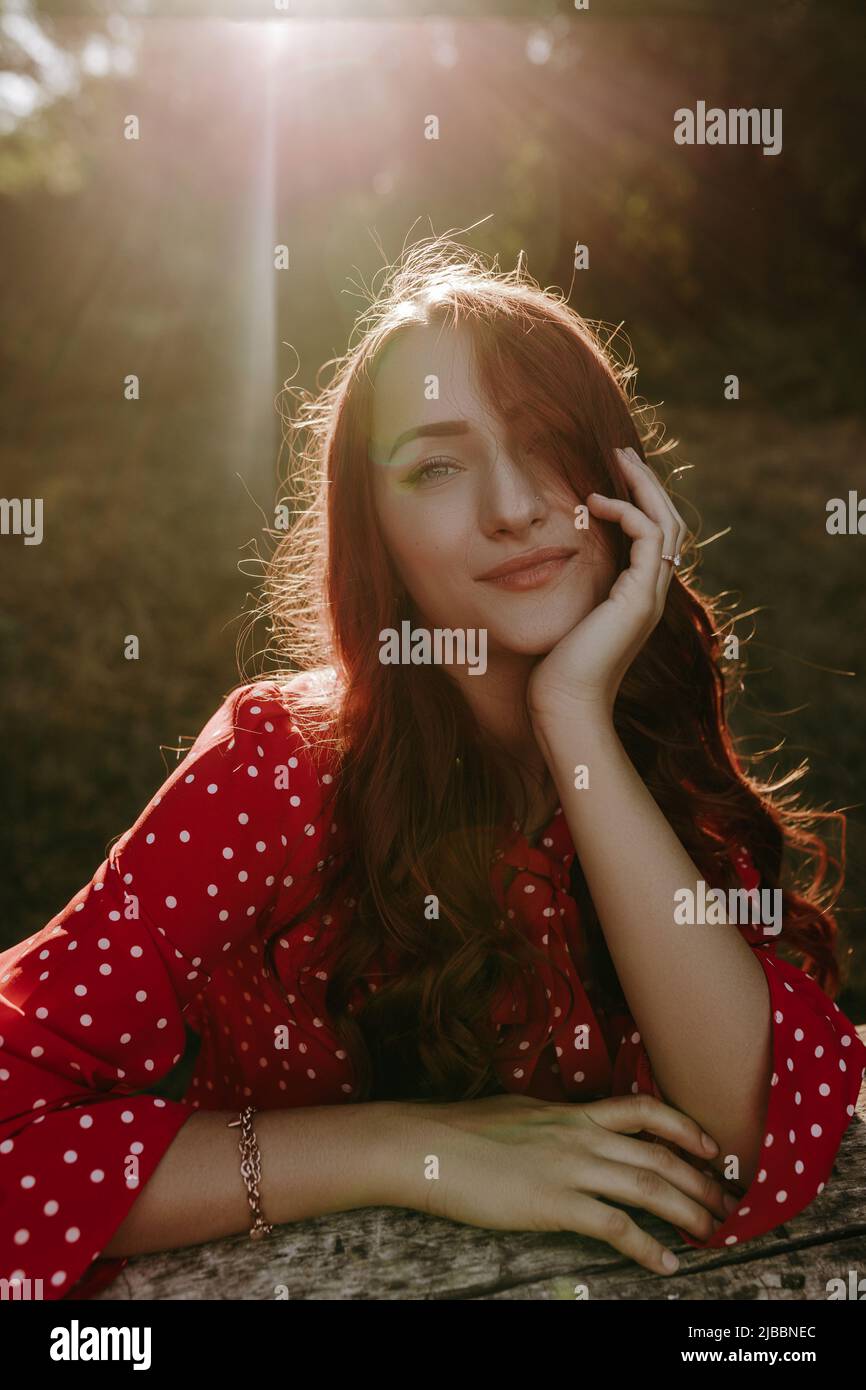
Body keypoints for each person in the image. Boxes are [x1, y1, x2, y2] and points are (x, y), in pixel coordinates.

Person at [2, 240, 864, 1302]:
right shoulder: (277, 767)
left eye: (547, 440)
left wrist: (573, 719)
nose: (510, 505)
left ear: (621, 478)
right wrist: (412, 1146)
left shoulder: (648, 745)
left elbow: (746, 1141)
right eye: (436, 467)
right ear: (380, 538)